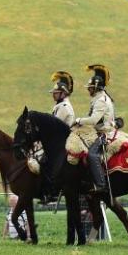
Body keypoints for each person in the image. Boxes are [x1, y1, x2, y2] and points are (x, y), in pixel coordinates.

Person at [72, 64, 115, 195]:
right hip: (98, 131)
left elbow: (94, 120)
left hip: (104, 133)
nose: (88, 90)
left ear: (96, 87)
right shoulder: (99, 98)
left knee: (91, 155)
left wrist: (78, 120)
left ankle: (101, 185)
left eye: (90, 87)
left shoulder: (101, 100)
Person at [41, 71, 76, 203]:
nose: (53, 95)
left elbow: (53, 127)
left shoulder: (64, 108)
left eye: (55, 93)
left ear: (63, 93)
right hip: (58, 139)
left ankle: (52, 191)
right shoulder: (59, 106)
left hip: (62, 142)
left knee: (44, 160)